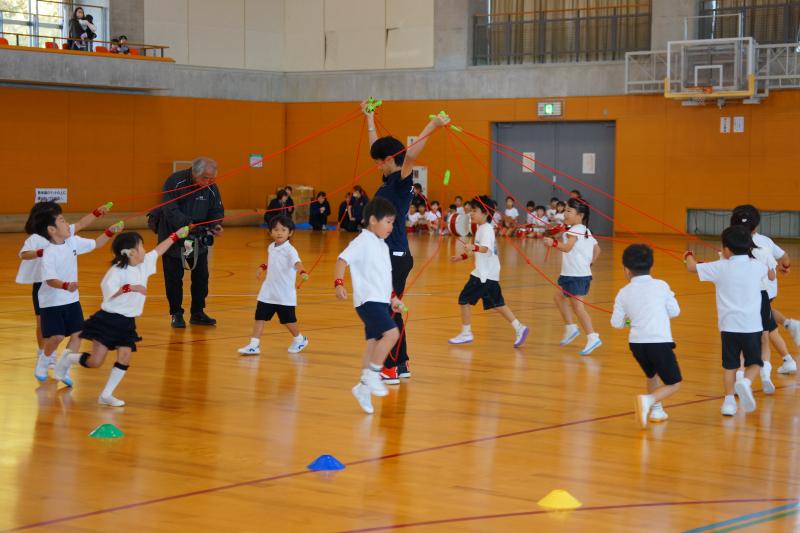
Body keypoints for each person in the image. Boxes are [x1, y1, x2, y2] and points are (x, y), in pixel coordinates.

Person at [362, 100, 449, 383]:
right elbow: (377, 147)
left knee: (385, 310)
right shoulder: (389, 180)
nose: (376, 165)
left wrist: (433, 125)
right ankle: (400, 363)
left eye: (379, 161)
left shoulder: (401, 180)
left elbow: (409, 155)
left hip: (394, 255)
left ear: (389, 159)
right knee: (390, 308)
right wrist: (370, 118)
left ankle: (390, 368)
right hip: (390, 255)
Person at [54, 227, 189, 405]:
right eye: (141, 246)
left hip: (127, 322)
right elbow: (109, 292)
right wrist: (130, 287)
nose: (145, 249)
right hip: (108, 320)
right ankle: (68, 359)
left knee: (125, 356)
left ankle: (106, 395)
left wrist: (175, 235)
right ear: (131, 252)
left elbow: (158, 250)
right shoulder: (116, 271)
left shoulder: (143, 264)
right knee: (95, 362)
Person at [685, 226, 772, 416]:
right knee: (755, 362)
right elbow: (768, 272)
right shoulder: (757, 266)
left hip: (728, 327)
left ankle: (729, 403)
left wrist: (688, 255)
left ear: (726, 249)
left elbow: (691, 267)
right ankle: (745, 382)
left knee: (730, 366)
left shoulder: (719, 267)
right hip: (751, 326)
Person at [17, 202, 110, 372]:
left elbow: (81, 224)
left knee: (73, 331)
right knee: (41, 322)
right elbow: (24, 254)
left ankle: (57, 361)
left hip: (64, 288)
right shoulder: (37, 238)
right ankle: (44, 354)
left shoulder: (64, 236)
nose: (65, 222)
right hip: (43, 283)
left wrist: (97, 213)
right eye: (59, 217)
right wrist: (40, 252)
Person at [334, 198, 405, 414]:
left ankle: (363, 388)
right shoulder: (363, 241)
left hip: (381, 301)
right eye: (388, 222)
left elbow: (384, 277)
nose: (391, 227)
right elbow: (342, 260)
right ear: (373, 220)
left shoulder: (382, 245)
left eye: (393, 223)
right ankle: (374, 373)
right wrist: (339, 283)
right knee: (392, 334)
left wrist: (393, 298)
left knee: (374, 343)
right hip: (368, 301)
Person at [35, 210, 122, 383]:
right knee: (57, 337)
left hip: (72, 299)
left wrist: (109, 232)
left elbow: (96, 244)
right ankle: (43, 362)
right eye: (62, 221)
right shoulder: (48, 253)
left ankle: (63, 369)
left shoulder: (72, 242)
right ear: (52, 230)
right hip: (51, 302)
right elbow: (50, 280)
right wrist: (66, 285)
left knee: (78, 334)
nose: (68, 224)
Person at [611, 244, 682, 428]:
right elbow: (675, 311)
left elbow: (616, 323)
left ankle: (656, 410)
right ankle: (648, 401)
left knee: (652, 375)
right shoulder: (661, 285)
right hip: (659, 342)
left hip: (637, 345)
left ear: (626, 270)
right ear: (651, 266)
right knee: (674, 383)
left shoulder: (623, 292)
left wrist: (630, 320)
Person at [448, 196, 529, 348]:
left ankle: (466, 333)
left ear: (485, 213)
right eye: (471, 210)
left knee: (464, 299)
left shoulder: (486, 230)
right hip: (490, 273)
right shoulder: (481, 229)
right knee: (498, 304)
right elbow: (477, 250)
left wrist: (473, 247)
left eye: (475, 210)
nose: (471, 213)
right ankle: (520, 327)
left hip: (483, 275)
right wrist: (462, 256)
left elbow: (484, 249)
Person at [153, 156, 224, 328]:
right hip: (173, 236)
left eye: (212, 179)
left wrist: (216, 225)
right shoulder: (174, 181)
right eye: (205, 178)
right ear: (194, 172)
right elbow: (170, 209)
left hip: (197, 237)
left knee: (201, 277)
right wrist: (186, 223)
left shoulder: (211, 187)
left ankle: (198, 312)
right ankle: (176, 313)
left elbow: (216, 210)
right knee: (174, 278)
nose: (209, 182)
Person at [729, 205, 793, 386]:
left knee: (746, 337)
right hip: (765, 294)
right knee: (766, 333)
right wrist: (783, 267)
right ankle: (774, 369)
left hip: (742, 296)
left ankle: (741, 376)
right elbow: (781, 262)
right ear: (755, 226)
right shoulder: (765, 243)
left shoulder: (731, 243)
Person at [239, 215, 309, 356]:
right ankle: (254, 345)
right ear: (270, 232)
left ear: (290, 233)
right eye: (276, 229)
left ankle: (300, 339)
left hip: (284, 294)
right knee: (259, 317)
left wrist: (302, 271)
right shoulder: (271, 247)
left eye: (283, 230)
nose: (279, 233)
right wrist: (262, 267)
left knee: (288, 321)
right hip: (268, 292)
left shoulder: (290, 250)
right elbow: (271, 261)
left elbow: (297, 263)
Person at [543, 198, 602, 356]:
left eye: (569, 211)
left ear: (580, 215)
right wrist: (589, 263)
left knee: (578, 308)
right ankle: (571, 328)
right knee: (558, 297)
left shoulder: (575, 230)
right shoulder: (585, 230)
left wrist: (553, 243)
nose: (565, 213)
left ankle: (592, 336)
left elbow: (568, 248)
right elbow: (597, 249)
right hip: (573, 274)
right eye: (565, 210)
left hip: (576, 276)